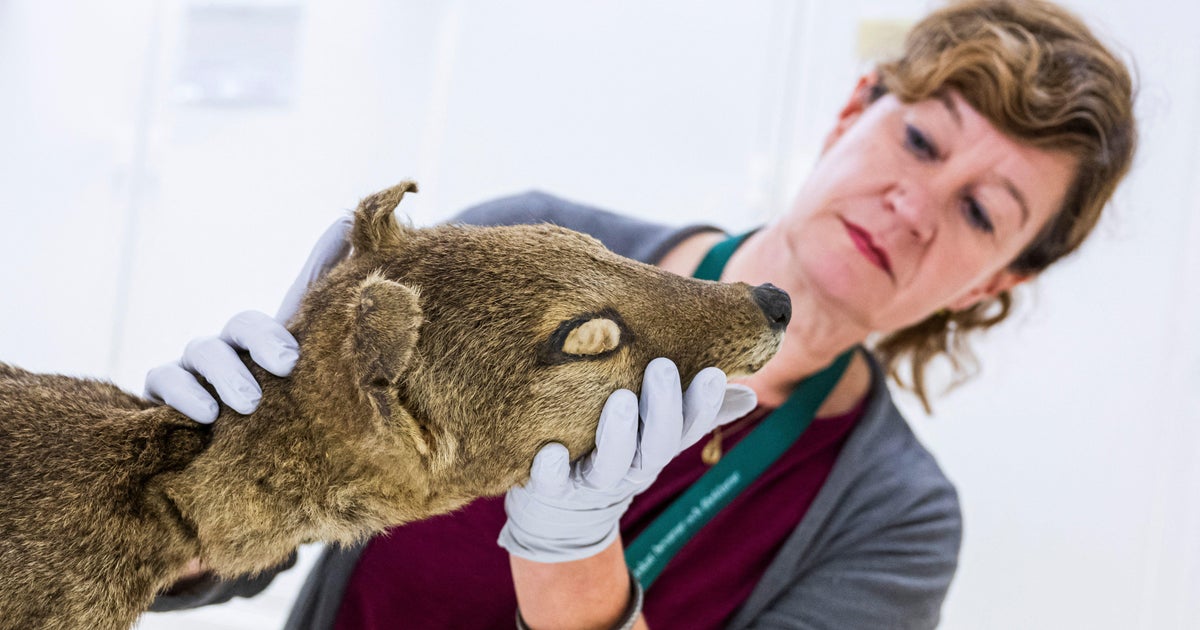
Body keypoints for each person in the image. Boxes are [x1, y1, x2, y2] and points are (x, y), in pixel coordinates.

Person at [145, 1, 1136, 628]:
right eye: (921, 141)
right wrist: (203, 484)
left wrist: (577, 567)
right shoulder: (518, 244)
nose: (915, 206)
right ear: (850, 115)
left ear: (988, 286)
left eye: (978, 212)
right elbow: (259, 541)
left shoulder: (895, 519)